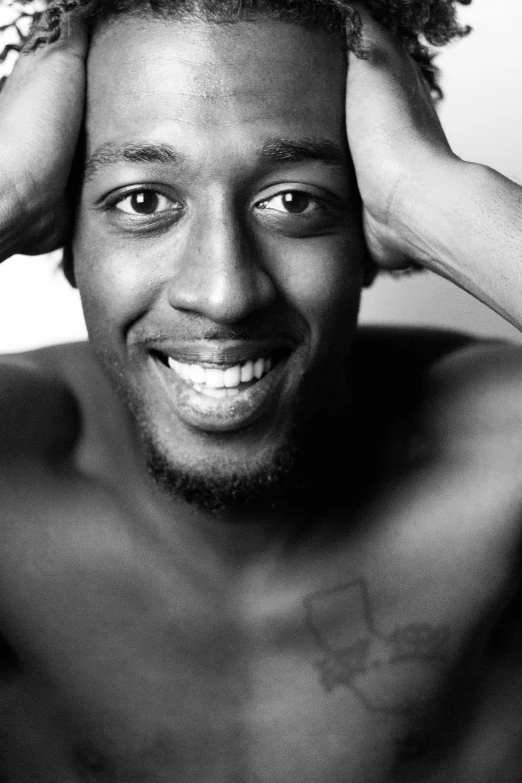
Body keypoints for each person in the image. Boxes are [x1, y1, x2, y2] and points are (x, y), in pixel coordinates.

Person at [1, 0, 522, 780]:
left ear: (372, 234)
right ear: (66, 236)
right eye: (144, 200)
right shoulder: (10, 472)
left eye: (294, 200)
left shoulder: (500, 461)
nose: (224, 291)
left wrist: (430, 195)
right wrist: (5, 189)